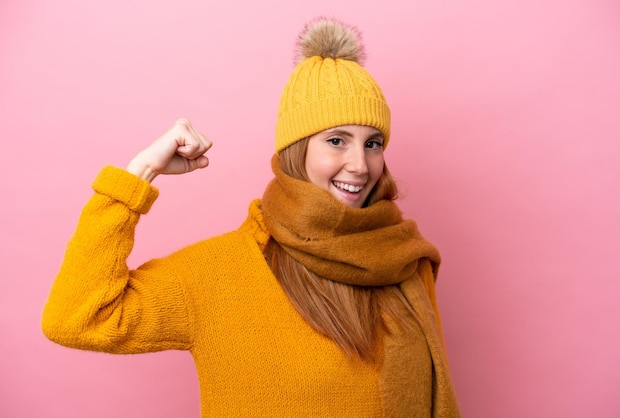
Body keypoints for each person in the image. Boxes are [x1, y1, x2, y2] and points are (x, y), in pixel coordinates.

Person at [42, 17, 461, 417]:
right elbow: (76, 317)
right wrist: (139, 174)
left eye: (373, 144)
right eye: (337, 140)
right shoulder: (217, 273)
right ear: (297, 150)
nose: (359, 164)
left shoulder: (404, 259)